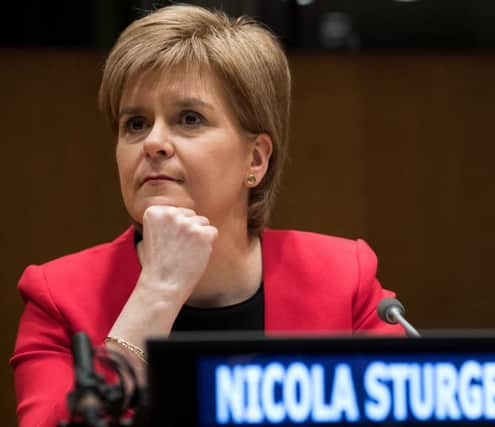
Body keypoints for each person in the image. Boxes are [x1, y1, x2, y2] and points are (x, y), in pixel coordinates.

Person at [11, 4, 401, 427]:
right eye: (136, 124)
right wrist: (157, 292)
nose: (154, 142)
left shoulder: (344, 283)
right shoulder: (58, 299)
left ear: (255, 158)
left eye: (189, 118)